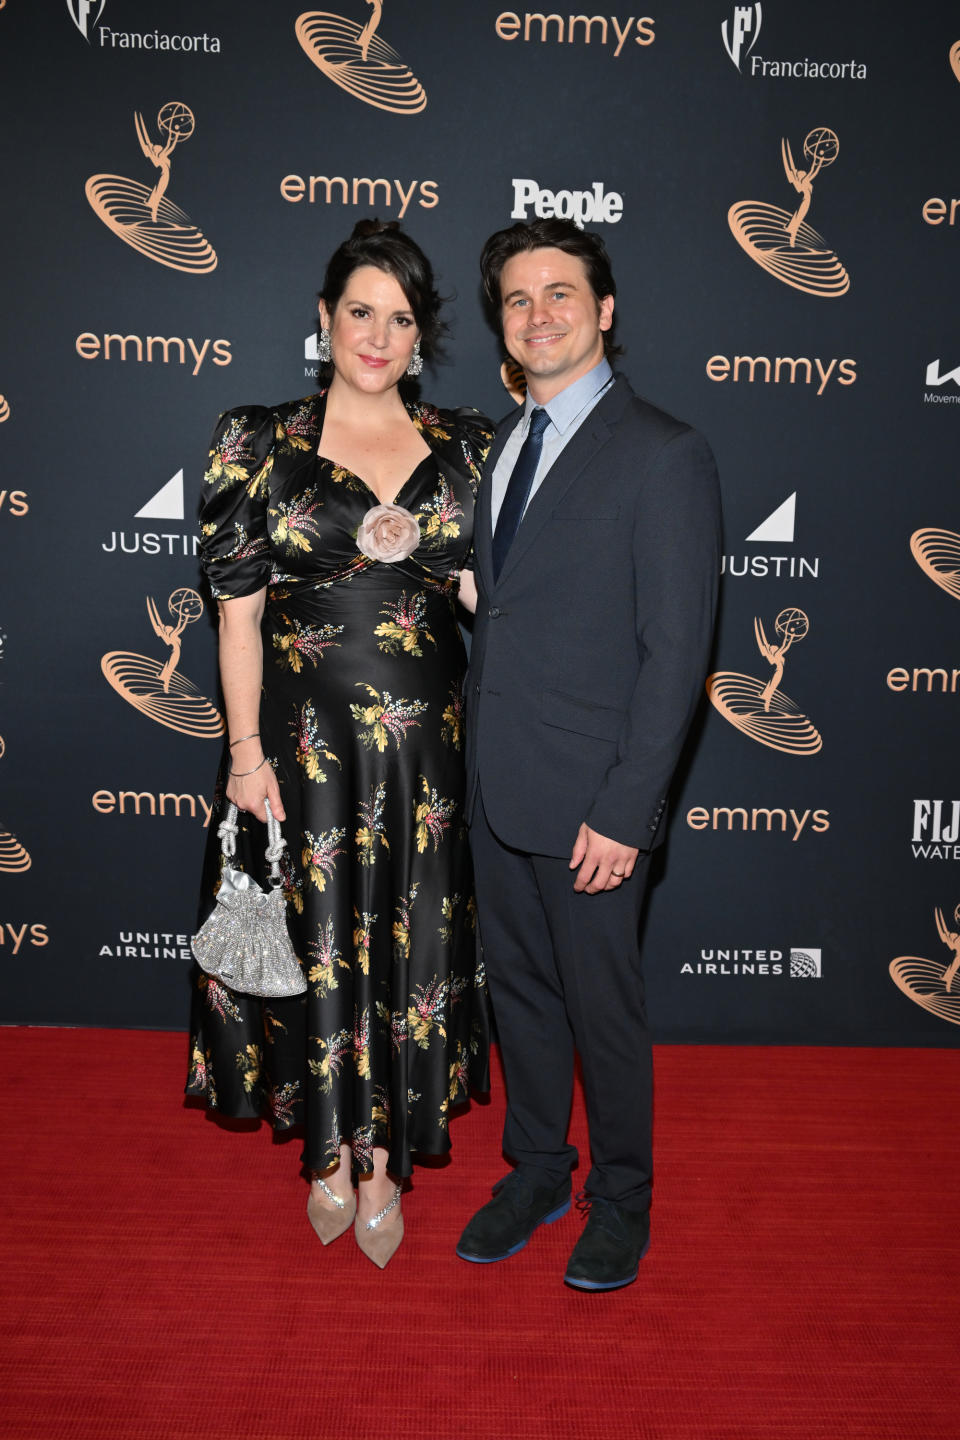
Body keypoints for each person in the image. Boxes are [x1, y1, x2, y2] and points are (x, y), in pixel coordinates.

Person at [186, 219, 492, 1269]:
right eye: (360, 310)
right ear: (323, 319)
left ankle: (385, 1163)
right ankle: (325, 1151)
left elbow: (497, 595)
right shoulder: (257, 441)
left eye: (401, 318)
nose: (378, 334)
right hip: (299, 749)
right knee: (316, 940)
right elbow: (235, 616)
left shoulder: (468, 450)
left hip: (423, 763)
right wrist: (242, 757)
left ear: (422, 336)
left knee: (406, 946)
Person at [455, 217, 721, 1290]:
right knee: (518, 994)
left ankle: (621, 1197)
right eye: (519, 300)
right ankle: (537, 1168)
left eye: (561, 293)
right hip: (498, 785)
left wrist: (626, 811)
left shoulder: (665, 453)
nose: (540, 315)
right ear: (502, 327)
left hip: (593, 804)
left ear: (604, 310)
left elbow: (676, 654)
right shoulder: (503, 445)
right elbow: (513, 604)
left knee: (603, 1008)